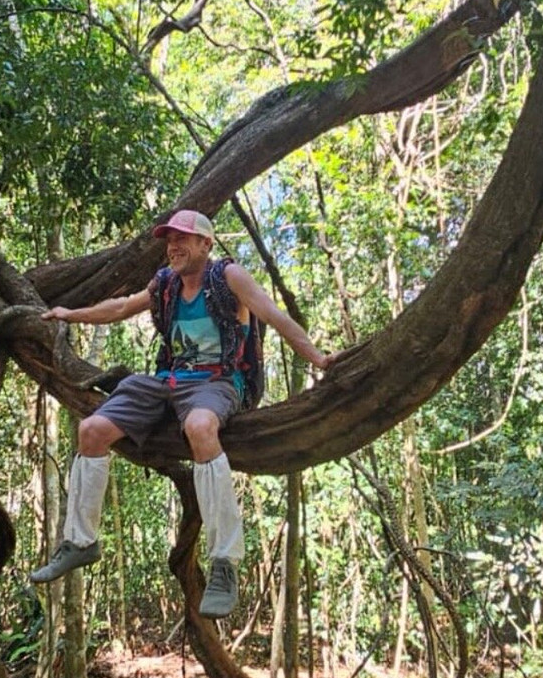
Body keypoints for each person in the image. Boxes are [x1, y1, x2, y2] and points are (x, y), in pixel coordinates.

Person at [33, 209, 340, 618]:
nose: (173, 247)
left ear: (205, 244)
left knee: (199, 427)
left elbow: (273, 315)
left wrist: (318, 358)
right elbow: (122, 307)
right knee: (91, 431)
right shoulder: (165, 285)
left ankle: (224, 564)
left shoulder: (227, 278)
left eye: (182, 239)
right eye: (169, 239)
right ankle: (81, 542)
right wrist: (69, 314)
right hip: (170, 381)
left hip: (218, 382)